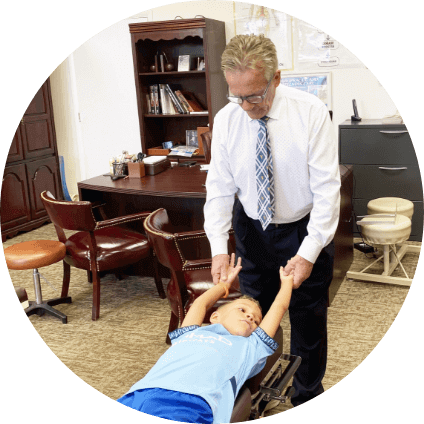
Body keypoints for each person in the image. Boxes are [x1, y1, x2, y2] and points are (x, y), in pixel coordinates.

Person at [203, 34, 341, 407]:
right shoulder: (228, 119)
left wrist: (310, 252)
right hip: (253, 229)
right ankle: (246, 399)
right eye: (238, 95)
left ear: (276, 78)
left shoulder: (310, 112)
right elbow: (218, 187)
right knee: (250, 318)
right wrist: (218, 247)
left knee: (307, 321)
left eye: (255, 95)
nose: (247, 106)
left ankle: (306, 394)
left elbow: (328, 191)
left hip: (303, 227)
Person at [117, 254, 294, 424]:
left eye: (256, 321)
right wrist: (223, 285)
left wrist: (286, 283)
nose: (250, 318)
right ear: (215, 317)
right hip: (141, 392)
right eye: (242, 310)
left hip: (191, 402)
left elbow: (279, 306)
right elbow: (201, 303)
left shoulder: (252, 345)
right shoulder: (190, 333)